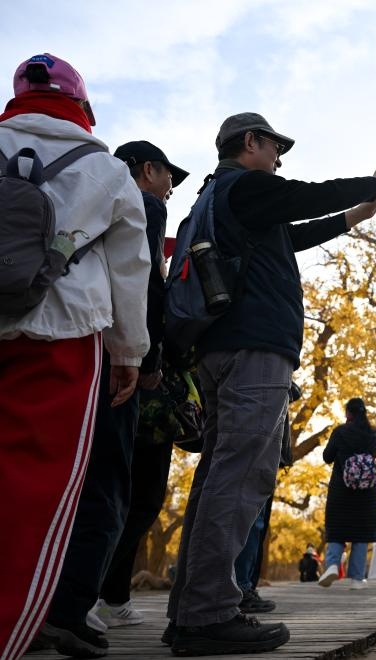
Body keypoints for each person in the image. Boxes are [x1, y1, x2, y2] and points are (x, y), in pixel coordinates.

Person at [166, 113, 376, 656]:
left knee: (217, 478)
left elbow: (289, 234)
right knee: (242, 477)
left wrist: (355, 215)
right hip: (253, 353)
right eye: (275, 148)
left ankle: (189, 609)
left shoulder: (214, 199)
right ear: (250, 142)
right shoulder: (246, 186)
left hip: (221, 348)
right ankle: (207, 614)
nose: (278, 159)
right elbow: (300, 198)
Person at [0, 53, 150, 660]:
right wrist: (129, 352)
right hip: (61, 333)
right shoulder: (107, 171)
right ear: (82, 106)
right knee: (37, 489)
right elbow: (131, 270)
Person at [89, 142, 188, 635]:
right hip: (131, 364)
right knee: (137, 491)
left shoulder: (92, 200)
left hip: (89, 352)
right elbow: (142, 282)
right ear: (148, 170)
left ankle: (110, 594)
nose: (171, 188)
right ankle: (96, 594)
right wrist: (146, 359)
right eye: (170, 175)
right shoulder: (145, 206)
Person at [319, 397, 376, 590]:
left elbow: (327, 457)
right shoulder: (372, 434)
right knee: (360, 534)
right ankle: (357, 578)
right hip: (366, 492)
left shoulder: (340, 432)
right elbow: (373, 455)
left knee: (338, 530)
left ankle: (332, 566)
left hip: (341, 490)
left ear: (348, 413)